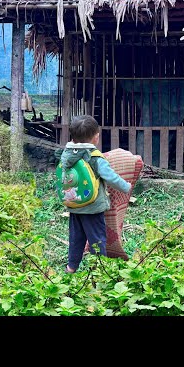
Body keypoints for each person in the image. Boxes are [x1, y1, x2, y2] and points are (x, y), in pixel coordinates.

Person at [60, 114, 131, 273]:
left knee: (76, 239)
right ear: (96, 137)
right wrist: (126, 186)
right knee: (97, 240)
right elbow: (111, 177)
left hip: (74, 204)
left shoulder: (67, 154)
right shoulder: (95, 157)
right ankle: (99, 270)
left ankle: (71, 268)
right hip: (92, 208)